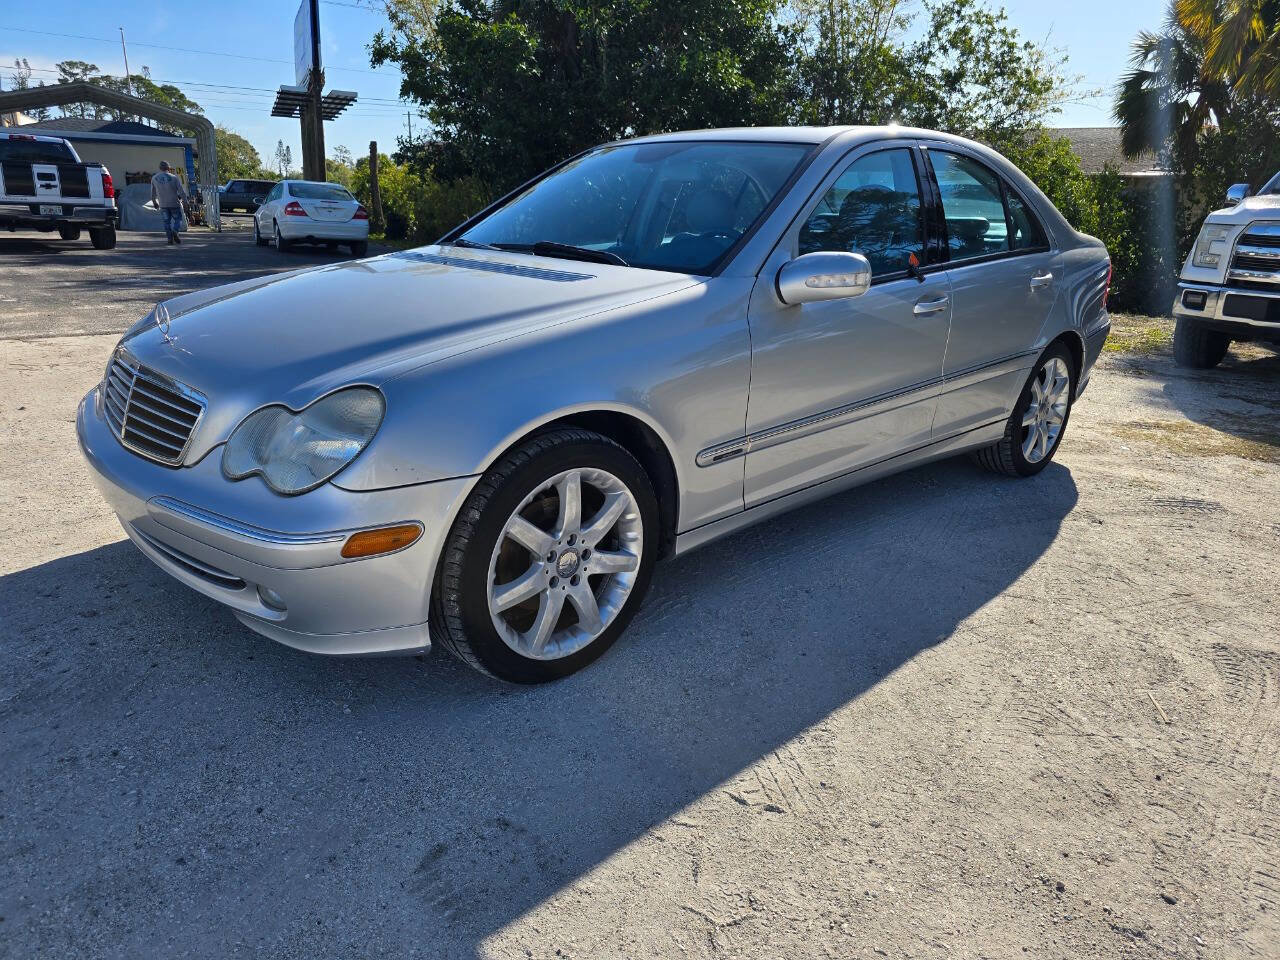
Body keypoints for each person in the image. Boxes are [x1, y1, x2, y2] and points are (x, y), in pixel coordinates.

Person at [150, 161, 187, 245]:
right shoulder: (174, 178)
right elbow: (181, 192)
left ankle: (170, 239)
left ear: (160, 168)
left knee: (166, 222)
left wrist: (154, 202)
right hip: (174, 204)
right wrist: (185, 202)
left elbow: (152, 193)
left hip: (163, 204)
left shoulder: (154, 178)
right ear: (169, 168)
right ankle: (175, 231)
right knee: (178, 219)